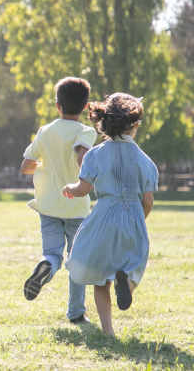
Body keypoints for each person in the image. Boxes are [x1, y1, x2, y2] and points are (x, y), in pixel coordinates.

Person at [63, 93, 157, 337]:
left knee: (99, 276)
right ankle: (127, 284)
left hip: (103, 216)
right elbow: (148, 201)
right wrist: (138, 220)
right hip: (133, 216)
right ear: (135, 125)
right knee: (134, 266)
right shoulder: (146, 161)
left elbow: (82, 190)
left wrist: (69, 188)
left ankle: (108, 332)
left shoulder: (95, 154)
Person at [20, 77, 97, 324]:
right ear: (85, 107)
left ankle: (45, 266)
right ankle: (76, 313)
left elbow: (26, 167)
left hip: (48, 206)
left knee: (52, 253)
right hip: (75, 206)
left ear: (57, 105)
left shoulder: (45, 131)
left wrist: (46, 165)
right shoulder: (86, 131)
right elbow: (81, 156)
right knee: (77, 260)